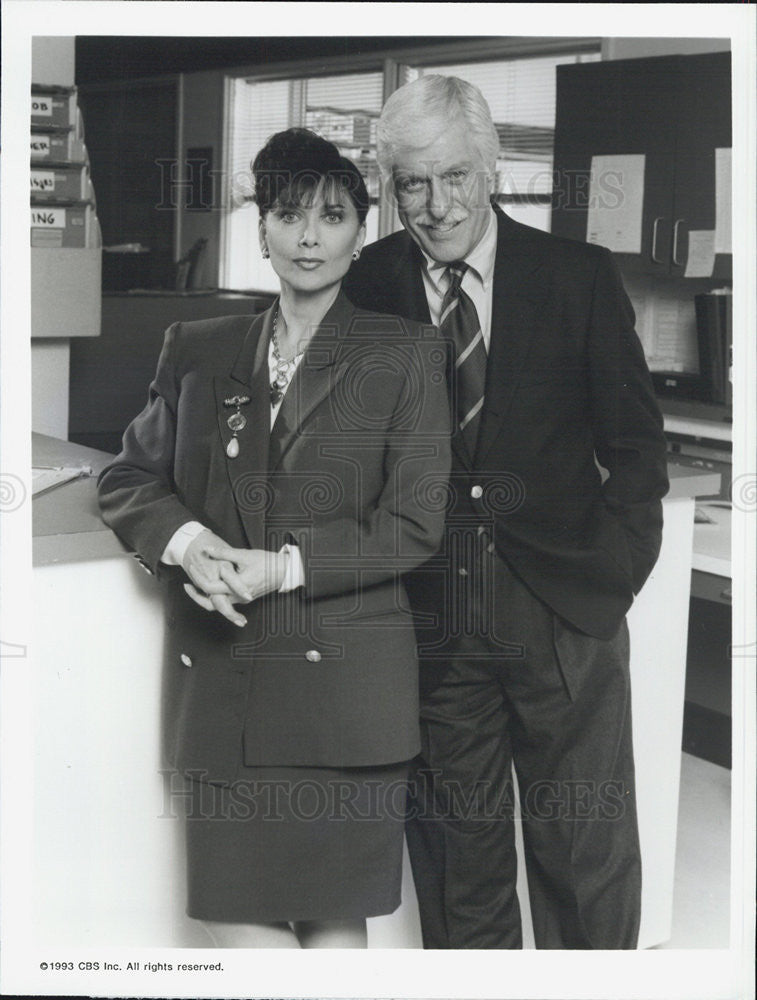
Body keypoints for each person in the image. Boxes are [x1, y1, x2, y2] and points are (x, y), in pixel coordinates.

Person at [97, 127, 451, 949]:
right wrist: (186, 543)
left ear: (359, 234)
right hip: (225, 686)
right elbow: (126, 478)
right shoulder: (199, 348)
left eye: (330, 217)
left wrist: (285, 567)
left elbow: (414, 523)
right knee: (239, 915)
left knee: (333, 915)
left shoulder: (405, 354)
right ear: (260, 229)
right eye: (288, 216)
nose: (307, 237)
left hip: (345, 694)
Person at [343, 75, 670, 949]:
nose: (436, 204)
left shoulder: (577, 277)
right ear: (390, 187)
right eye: (412, 182)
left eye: (453, 176)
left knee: (584, 857)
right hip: (432, 618)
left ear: (490, 169)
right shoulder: (366, 285)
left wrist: (616, 571)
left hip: (565, 610)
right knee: (458, 864)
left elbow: (637, 448)